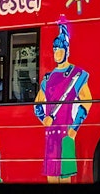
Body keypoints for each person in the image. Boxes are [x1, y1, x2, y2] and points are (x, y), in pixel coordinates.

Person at [33, 20, 91, 183]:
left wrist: (74, 129)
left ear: (66, 50)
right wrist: (43, 118)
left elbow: (87, 101)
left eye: (59, 49)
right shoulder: (48, 78)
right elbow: (37, 104)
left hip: (66, 133)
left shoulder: (77, 74)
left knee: (65, 179)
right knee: (52, 179)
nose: (56, 52)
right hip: (51, 135)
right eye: (54, 49)